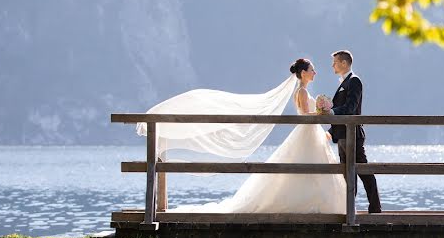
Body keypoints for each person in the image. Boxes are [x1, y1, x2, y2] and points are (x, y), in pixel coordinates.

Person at [147, 58, 346, 214]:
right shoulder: (302, 92)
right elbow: (304, 114)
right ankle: (309, 203)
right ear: (303, 73)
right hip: (307, 131)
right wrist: (321, 113)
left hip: (310, 133)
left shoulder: (303, 90)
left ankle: (312, 202)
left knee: (310, 167)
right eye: (312, 69)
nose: (315, 72)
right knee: (308, 166)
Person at [328, 50, 382, 214]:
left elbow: (350, 108)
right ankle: (349, 209)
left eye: (335, 62)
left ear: (344, 63)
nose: (333, 65)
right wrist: (331, 130)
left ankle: (375, 208)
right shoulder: (344, 83)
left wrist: (331, 111)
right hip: (342, 135)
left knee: (363, 171)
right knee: (347, 173)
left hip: (353, 135)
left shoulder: (354, 81)